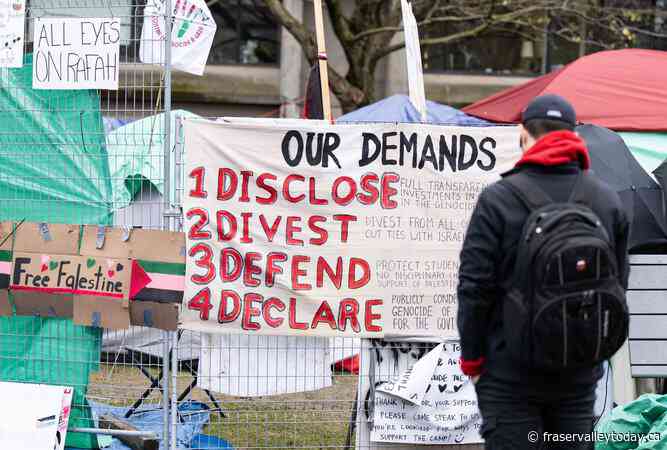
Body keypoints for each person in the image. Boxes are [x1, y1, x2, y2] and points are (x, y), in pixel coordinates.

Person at [456, 94, 630, 449]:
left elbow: (474, 288)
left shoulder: (498, 199)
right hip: (578, 373)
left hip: (509, 373)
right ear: (572, 135)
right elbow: (619, 285)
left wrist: (473, 359)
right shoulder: (606, 200)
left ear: (523, 133)